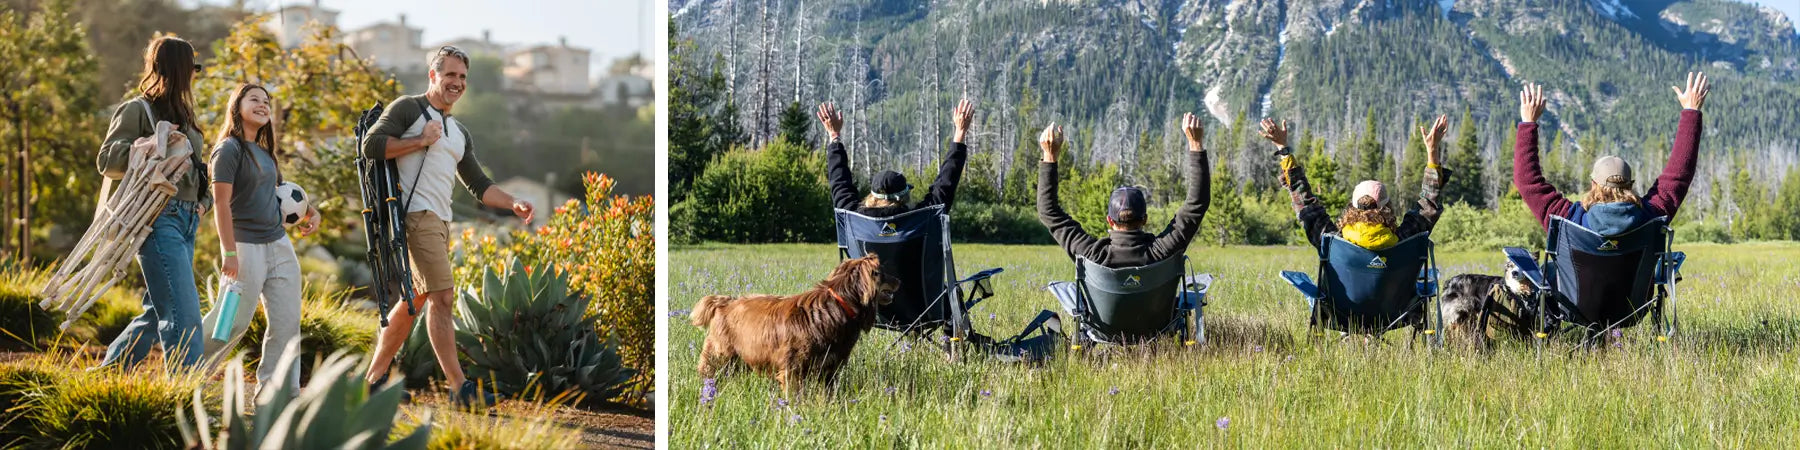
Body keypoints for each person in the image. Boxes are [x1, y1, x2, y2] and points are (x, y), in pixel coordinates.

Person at [358, 46, 535, 407]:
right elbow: (370, 145)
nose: (457, 83)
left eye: (463, 77)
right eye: (450, 75)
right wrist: (419, 141)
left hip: (441, 220)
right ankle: (459, 388)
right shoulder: (409, 108)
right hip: (414, 216)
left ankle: (371, 381)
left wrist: (512, 201)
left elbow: (479, 184)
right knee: (443, 297)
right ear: (433, 76)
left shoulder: (458, 131)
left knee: (413, 302)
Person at [95, 36, 212, 371]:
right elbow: (108, 160)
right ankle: (187, 395)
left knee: (158, 306)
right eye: (191, 69)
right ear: (178, 69)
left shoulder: (187, 116)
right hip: (157, 218)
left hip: (188, 217)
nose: (193, 76)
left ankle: (112, 370)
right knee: (183, 311)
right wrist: (155, 143)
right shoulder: (137, 109)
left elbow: (197, 170)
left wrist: (203, 202)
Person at [195, 84, 320, 395]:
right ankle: (187, 373)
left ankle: (278, 394)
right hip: (244, 247)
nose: (263, 105)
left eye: (266, 101)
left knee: (287, 323)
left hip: (279, 245)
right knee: (230, 324)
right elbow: (221, 204)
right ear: (237, 106)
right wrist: (229, 253)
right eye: (255, 99)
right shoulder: (228, 150)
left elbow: (279, 191)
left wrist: (311, 213)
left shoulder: (265, 153)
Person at [1513, 74, 1707, 235]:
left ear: (1593, 185)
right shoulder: (1651, 216)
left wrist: (1528, 122)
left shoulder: (1568, 219)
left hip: (1578, 284)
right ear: (1630, 186)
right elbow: (1679, 175)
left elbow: (1527, 181)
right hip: (1636, 284)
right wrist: (1691, 112)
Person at [1036, 113, 1210, 268]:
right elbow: (1197, 204)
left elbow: (1048, 212)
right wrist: (1196, 144)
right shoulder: (1161, 252)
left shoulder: (1093, 255)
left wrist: (1050, 157)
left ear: (1110, 221)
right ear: (1145, 220)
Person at [1260, 116, 1451, 250]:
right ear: (1387, 207)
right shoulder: (1405, 239)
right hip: (1396, 309)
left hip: (1340, 309)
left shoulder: (1330, 240)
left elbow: (1304, 202)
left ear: (1352, 207)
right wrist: (1432, 151)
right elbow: (1428, 204)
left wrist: (1283, 149)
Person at [819, 99, 974, 217]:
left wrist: (834, 136)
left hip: (868, 261)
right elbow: (946, 184)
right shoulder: (921, 217)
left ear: (872, 196)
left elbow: (840, 184)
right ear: (904, 197)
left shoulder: (854, 217)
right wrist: (960, 133)